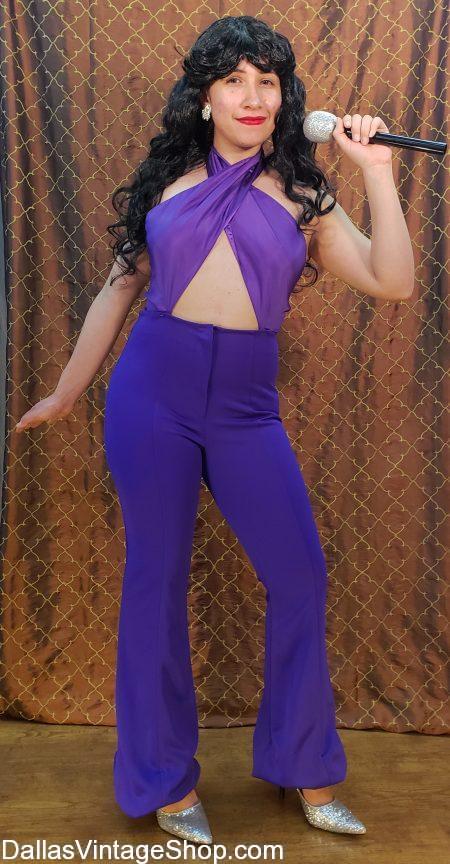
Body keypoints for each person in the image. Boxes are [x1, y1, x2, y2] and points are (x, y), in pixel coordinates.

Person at [15, 14, 414, 846]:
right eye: (234, 80)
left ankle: (304, 766)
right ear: (204, 97)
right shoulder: (167, 181)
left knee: (300, 577)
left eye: (268, 81)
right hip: (151, 397)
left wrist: (375, 171)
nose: (252, 96)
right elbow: (118, 291)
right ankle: (166, 781)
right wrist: (65, 391)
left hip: (245, 409)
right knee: (154, 582)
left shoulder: (305, 194)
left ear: (285, 98)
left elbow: (393, 281)